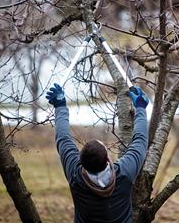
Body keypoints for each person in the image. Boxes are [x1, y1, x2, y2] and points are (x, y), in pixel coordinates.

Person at [45, 83, 149, 223]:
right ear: (107, 159)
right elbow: (140, 141)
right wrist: (141, 108)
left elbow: (63, 139)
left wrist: (60, 105)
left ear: (81, 161)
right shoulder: (124, 172)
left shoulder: (75, 175)